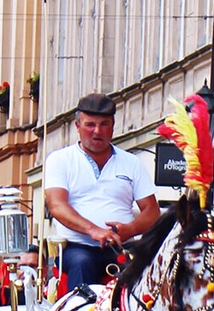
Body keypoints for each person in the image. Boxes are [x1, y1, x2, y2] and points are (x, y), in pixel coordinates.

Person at [43, 92, 160, 290]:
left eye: (104, 124)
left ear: (113, 126)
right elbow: (57, 206)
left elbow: (152, 211)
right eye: (90, 125)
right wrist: (93, 230)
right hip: (77, 246)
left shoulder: (131, 163)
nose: (97, 131)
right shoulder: (60, 159)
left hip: (121, 246)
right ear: (77, 126)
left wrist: (129, 229)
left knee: (145, 270)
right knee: (82, 263)